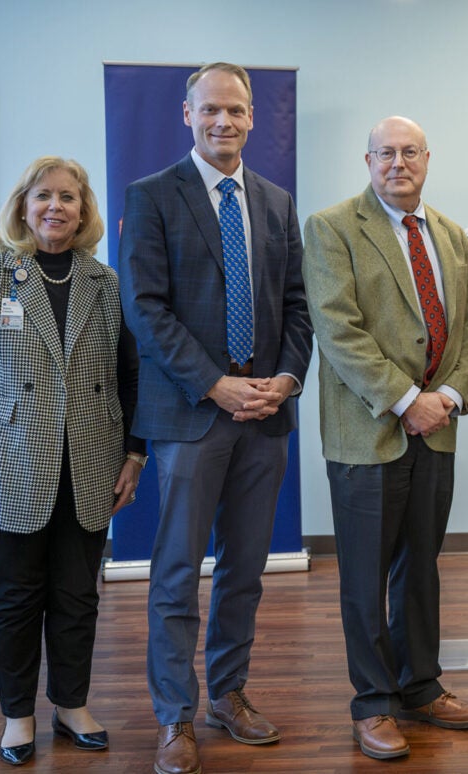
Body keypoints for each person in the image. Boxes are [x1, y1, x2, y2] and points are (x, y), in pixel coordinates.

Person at [119, 62, 313, 774]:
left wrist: (286, 379)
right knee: (175, 573)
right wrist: (215, 385)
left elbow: (297, 305)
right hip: (190, 415)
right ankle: (174, 716)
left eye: (235, 110)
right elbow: (145, 308)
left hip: (264, 417)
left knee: (245, 570)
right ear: (187, 113)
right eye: (210, 110)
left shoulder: (275, 201)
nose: (223, 121)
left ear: (254, 116)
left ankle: (226, 695)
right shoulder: (150, 198)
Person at [302, 116, 468, 761]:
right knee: (364, 573)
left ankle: (421, 686)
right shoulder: (331, 228)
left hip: (436, 429)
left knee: (421, 566)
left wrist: (451, 395)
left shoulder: (450, 234)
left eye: (410, 152)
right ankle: (374, 702)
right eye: (386, 153)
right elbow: (338, 329)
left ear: (428, 159)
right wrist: (407, 400)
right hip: (369, 431)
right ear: (368, 160)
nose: (398, 163)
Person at [0, 156, 144, 766]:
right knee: (14, 597)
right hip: (7, 461)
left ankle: (71, 705)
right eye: (43, 196)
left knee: (76, 596)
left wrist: (135, 453)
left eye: (69, 197)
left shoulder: (105, 283)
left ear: (84, 210)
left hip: (91, 461)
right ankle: (17, 716)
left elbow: (128, 376)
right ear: (23, 206)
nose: (56, 208)